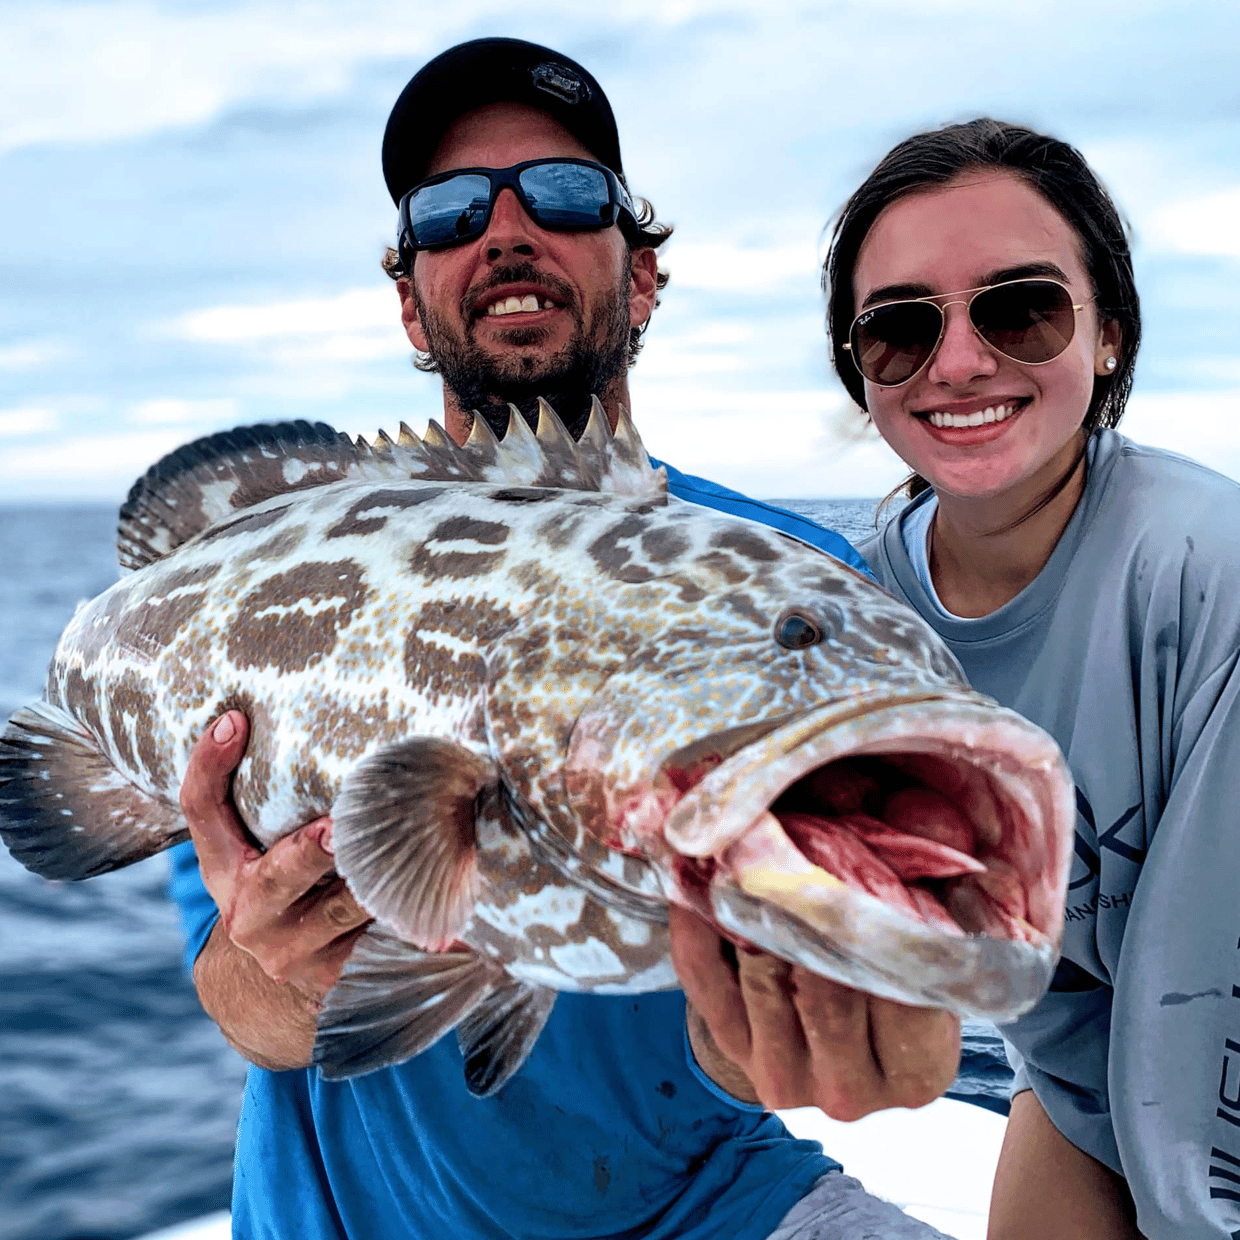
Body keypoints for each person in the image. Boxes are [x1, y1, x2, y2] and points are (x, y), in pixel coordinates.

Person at [169, 38, 961, 1240]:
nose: (504, 229)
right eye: (447, 211)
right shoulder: (285, 595)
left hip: (713, 1200)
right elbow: (242, 1010)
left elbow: (793, 1023)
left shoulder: (803, 595)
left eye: (565, 193)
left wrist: (798, 1016)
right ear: (408, 298)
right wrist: (275, 960)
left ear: (642, 276)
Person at [827, 117, 1240, 1240]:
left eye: (1020, 308)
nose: (959, 361)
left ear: (1107, 333)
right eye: (900, 329)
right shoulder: (856, 619)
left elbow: (1199, 997)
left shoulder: (1209, 574)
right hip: (1083, 1085)